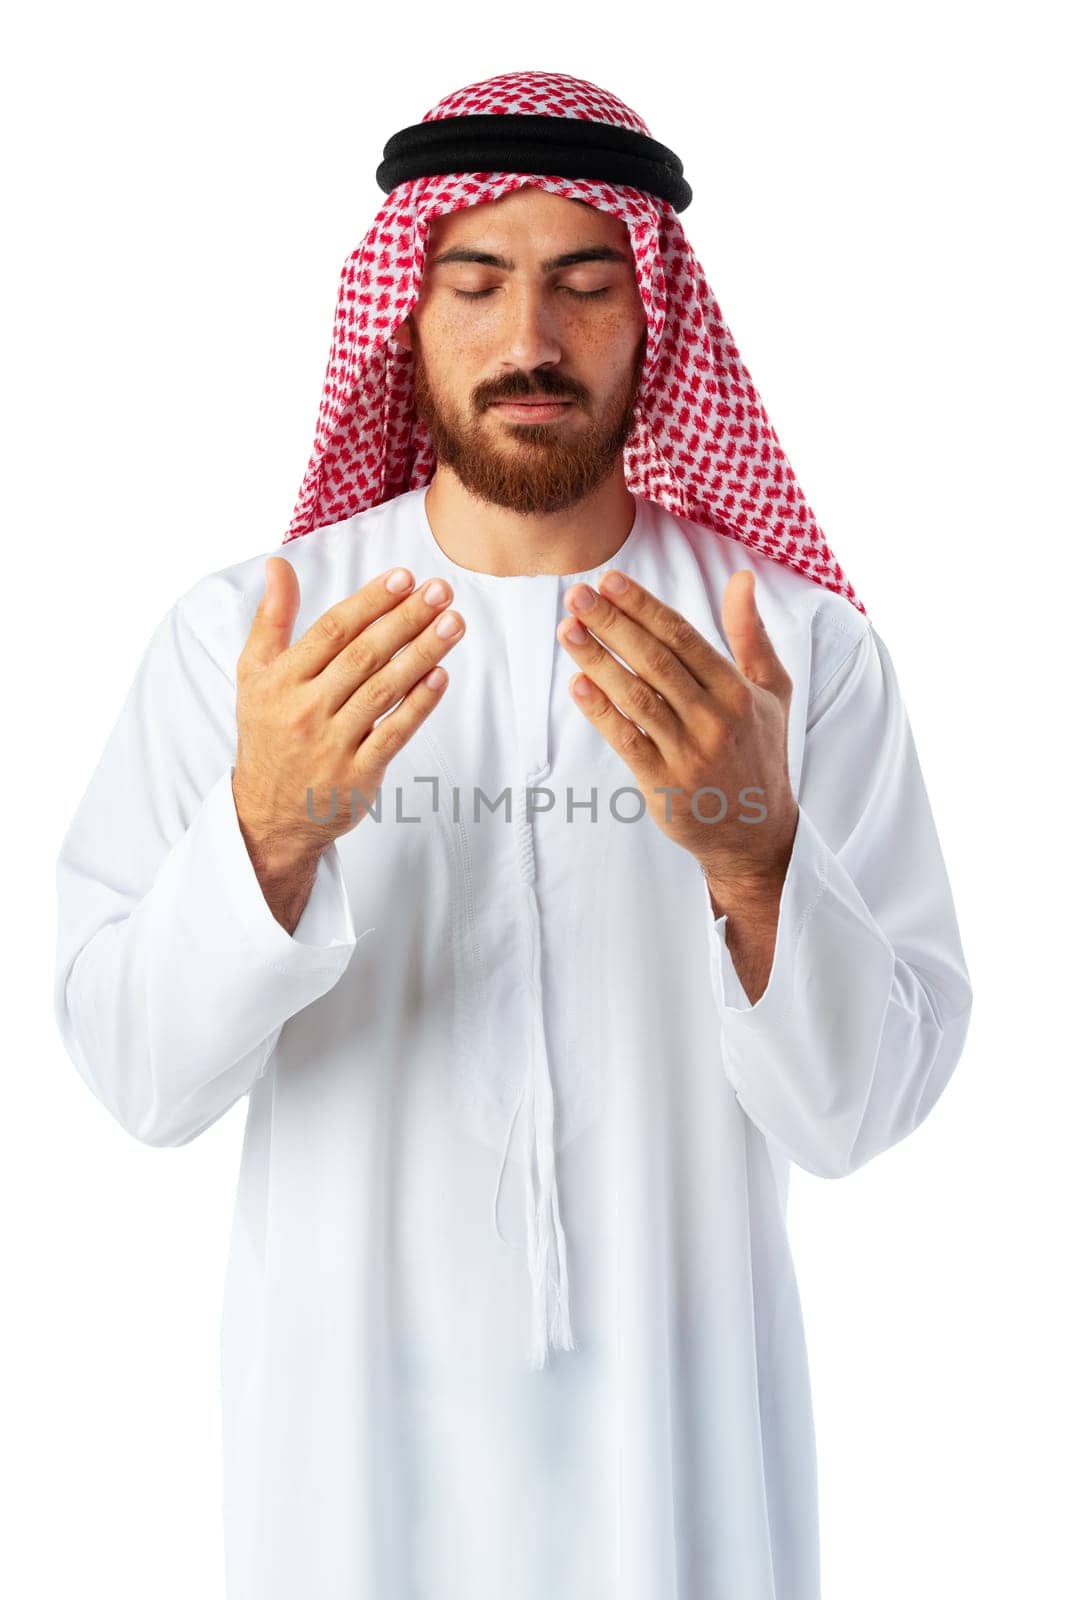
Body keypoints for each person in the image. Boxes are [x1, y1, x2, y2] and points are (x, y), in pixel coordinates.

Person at [52, 68, 973, 1600]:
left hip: (682, 1462)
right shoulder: (252, 640)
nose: (527, 340)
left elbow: (858, 1114)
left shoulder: (794, 652)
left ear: (652, 317)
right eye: (472, 283)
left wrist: (754, 864)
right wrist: (266, 837)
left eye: (582, 285)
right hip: (342, 1465)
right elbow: (139, 1078)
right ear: (402, 316)